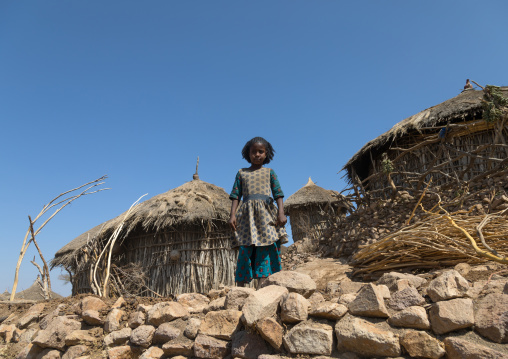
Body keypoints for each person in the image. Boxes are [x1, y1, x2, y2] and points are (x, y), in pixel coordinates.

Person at [228, 137, 288, 288]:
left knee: (265, 247)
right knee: (245, 248)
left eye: (260, 151)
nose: (257, 154)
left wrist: (281, 212)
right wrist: (232, 215)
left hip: (266, 215)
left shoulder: (270, 172)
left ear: (266, 154)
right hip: (246, 217)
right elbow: (236, 195)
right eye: (253, 151)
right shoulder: (241, 173)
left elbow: (278, 194)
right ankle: (241, 288)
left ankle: (262, 287)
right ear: (248, 153)